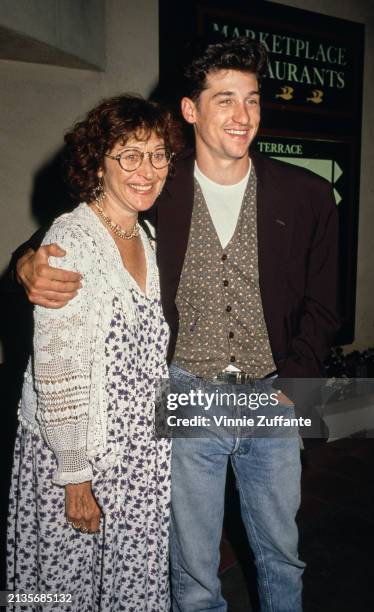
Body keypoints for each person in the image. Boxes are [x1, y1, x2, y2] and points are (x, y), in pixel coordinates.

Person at [15, 39, 340, 612]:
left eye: (253, 100)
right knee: (192, 568)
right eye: (224, 100)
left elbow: (323, 303)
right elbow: (72, 232)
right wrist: (26, 266)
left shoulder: (308, 193)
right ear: (191, 110)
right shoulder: (158, 183)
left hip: (274, 393)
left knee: (283, 554)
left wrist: (296, 384)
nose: (242, 116)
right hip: (186, 393)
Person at [7, 94, 183, 611]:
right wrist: (74, 475)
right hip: (85, 456)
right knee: (72, 592)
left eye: (157, 155)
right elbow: (57, 368)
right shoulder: (72, 238)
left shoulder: (143, 233)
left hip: (137, 456)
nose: (146, 170)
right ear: (97, 164)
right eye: (128, 155)